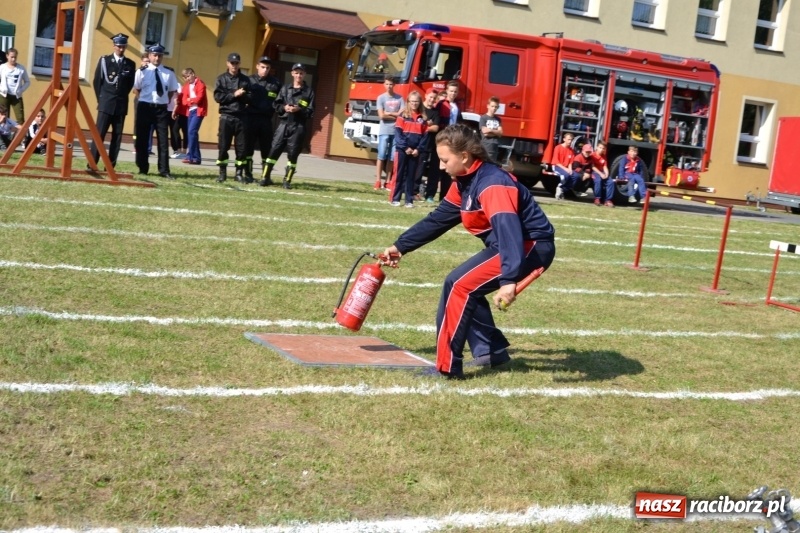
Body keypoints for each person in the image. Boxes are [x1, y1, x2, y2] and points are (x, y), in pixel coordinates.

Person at [382, 124, 556, 379]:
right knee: (465, 285)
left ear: (464, 156)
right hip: (512, 246)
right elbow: (439, 219)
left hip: (527, 248)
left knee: (458, 286)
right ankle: (490, 351)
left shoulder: (492, 183)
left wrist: (509, 279)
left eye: (445, 160)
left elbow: (509, 231)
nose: (441, 167)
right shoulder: (464, 181)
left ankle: (447, 367)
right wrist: (401, 246)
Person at [262, 63, 314, 189]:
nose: (298, 75)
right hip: (284, 124)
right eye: (296, 73)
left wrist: (299, 109)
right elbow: (276, 105)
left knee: (293, 154)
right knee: (274, 150)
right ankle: (265, 178)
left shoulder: (309, 92)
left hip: (298, 126)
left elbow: (311, 112)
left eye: (301, 73)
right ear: (292, 73)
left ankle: (287, 181)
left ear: (304, 74)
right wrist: (284, 107)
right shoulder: (285, 88)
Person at [132, 43, 179, 179]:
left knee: (163, 140)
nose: (157, 58)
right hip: (145, 107)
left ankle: (164, 170)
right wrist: (145, 100)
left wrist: (162, 101)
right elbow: (136, 89)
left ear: (162, 56)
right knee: (142, 138)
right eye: (154, 55)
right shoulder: (142, 71)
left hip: (161, 109)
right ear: (149, 56)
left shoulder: (169, 73)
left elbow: (171, 92)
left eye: (159, 55)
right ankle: (143, 167)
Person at [89, 33, 136, 169]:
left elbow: (129, 85)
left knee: (117, 137)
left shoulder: (130, 64)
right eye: (119, 46)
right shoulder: (105, 61)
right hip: (105, 104)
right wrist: (102, 99)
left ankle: (110, 165)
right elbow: (97, 82)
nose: (121, 49)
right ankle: (92, 163)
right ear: (114, 46)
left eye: (123, 46)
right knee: (99, 135)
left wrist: (119, 97)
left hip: (120, 105)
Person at [213, 52, 251, 183]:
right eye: (232, 63)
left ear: (239, 64)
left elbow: (251, 98)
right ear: (227, 63)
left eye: (236, 63)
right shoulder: (221, 79)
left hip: (241, 117)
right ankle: (222, 173)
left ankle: (239, 173)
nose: (234, 65)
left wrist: (244, 95)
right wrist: (234, 94)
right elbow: (218, 97)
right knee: (223, 146)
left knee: (241, 147)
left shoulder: (246, 80)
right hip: (226, 116)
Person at [245, 56, 281, 185]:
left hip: (266, 120)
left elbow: (280, 101)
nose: (265, 70)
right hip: (251, 118)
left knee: (266, 149)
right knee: (248, 148)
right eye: (263, 67)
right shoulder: (249, 80)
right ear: (257, 66)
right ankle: (248, 174)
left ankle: (266, 176)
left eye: (268, 68)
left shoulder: (275, 83)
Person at [389, 90, 427, 208]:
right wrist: (405, 147)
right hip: (402, 150)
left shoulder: (423, 118)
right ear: (408, 102)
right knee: (399, 175)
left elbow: (425, 137)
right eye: (412, 101)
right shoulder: (403, 116)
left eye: (416, 101)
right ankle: (395, 198)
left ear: (419, 102)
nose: (414, 103)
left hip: (415, 152)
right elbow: (398, 134)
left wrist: (418, 150)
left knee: (411, 176)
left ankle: (409, 200)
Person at [425, 80, 460, 203]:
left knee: (449, 169)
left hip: (452, 141)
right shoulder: (441, 104)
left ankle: (444, 196)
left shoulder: (457, 106)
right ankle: (430, 194)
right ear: (447, 91)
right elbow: (435, 118)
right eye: (451, 91)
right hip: (441, 140)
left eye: (455, 91)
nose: (453, 93)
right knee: (435, 167)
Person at [374, 75, 404, 190]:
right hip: (384, 130)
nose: (389, 86)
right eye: (387, 84)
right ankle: (378, 180)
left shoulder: (400, 99)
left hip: (396, 131)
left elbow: (402, 116)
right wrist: (394, 115)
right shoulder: (381, 98)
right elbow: (381, 116)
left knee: (392, 157)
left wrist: (389, 113)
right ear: (384, 84)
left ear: (394, 85)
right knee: (381, 154)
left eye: (391, 84)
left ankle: (388, 181)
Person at [174, 67, 207, 165]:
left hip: (198, 111)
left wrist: (190, 100)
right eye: (185, 77)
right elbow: (184, 100)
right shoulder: (186, 86)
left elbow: (199, 99)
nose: (187, 79)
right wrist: (190, 100)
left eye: (188, 76)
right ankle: (195, 157)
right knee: (192, 133)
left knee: (192, 131)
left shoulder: (200, 84)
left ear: (193, 74)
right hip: (190, 111)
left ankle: (191, 156)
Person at [414, 89, 439, 198]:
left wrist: (424, 126)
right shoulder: (419, 109)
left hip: (428, 145)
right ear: (426, 95)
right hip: (416, 143)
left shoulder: (435, 112)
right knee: (413, 168)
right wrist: (427, 124)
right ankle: (412, 191)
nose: (432, 100)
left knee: (421, 169)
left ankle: (417, 192)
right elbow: (415, 123)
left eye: (434, 98)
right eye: (430, 97)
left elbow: (436, 128)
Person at [0, 48, 31, 123]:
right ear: (7, 56)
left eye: (15, 57)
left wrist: (20, 90)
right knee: (3, 117)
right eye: (12, 57)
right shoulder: (2, 67)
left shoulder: (21, 68)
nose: (13, 59)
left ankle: (20, 134)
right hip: (4, 95)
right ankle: (3, 134)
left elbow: (27, 82)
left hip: (16, 96)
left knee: (20, 118)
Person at [131, 52, 150, 155]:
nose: (146, 63)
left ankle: (146, 146)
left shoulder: (151, 72)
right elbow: (135, 89)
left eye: (148, 61)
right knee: (137, 122)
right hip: (139, 100)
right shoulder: (138, 72)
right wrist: (141, 98)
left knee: (147, 124)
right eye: (145, 61)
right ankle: (135, 145)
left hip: (149, 101)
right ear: (141, 61)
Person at [479, 96, 503, 163]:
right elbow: (485, 133)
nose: (494, 108)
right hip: (486, 146)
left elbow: (501, 133)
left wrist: (490, 130)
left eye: (496, 107)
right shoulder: (483, 118)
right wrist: (496, 132)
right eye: (492, 106)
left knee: (492, 166)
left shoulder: (498, 119)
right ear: (488, 106)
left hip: (495, 147)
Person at [591, 140, 615, 207]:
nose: (601, 150)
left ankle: (608, 200)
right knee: (598, 180)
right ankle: (597, 198)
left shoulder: (604, 156)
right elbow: (592, 167)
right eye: (600, 147)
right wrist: (601, 174)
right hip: (595, 172)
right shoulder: (593, 155)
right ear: (597, 147)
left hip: (602, 172)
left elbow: (605, 166)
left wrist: (606, 174)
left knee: (611, 182)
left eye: (603, 148)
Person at [552, 133, 575, 200]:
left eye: (571, 140)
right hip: (557, 166)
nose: (570, 141)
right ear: (564, 139)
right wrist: (566, 169)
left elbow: (570, 162)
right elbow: (556, 161)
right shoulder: (558, 148)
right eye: (568, 139)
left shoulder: (571, 150)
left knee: (575, 176)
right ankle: (559, 186)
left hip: (566, 168)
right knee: (565, 175)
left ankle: (562, 190)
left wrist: (570, 169)